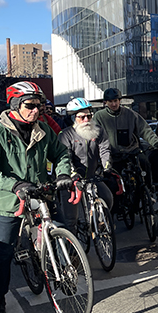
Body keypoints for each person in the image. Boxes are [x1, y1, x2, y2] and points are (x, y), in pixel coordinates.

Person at [0, 81, 73, 313]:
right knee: (3, 252)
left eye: (39, 105)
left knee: (60, 229)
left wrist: (62, 172)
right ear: (16, 105)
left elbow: (60, 153)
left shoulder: (43, 129)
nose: (36, 110)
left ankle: (60, 273)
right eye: (30, 105)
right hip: (10, 202)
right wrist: (14, 184)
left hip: (39, 193)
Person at [93, 88, 158, 190]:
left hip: (131, 152)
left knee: (145, 163)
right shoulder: (99, 116)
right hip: (112, 155)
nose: (114, 104)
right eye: (110, 101)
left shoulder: (130, 114)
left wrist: (156, 143)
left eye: (115, 101)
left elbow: (145, 129)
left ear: (120, 101)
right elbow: (93, 135)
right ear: (105, 102)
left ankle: (149, 191)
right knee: (110, 180)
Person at [58, 98, 114, 232]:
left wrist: (107, 167)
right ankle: (71, 249)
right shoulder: (65, 135)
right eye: (81, 117)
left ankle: (100, 222)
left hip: (92, 176)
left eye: (89, 116)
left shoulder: (98, 131)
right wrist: (72, 174)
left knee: (107, 197)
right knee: (70, 217)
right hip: (73, 179)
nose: (86, 120)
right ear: (73, 118)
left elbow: (105, 149)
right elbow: (65, 157)